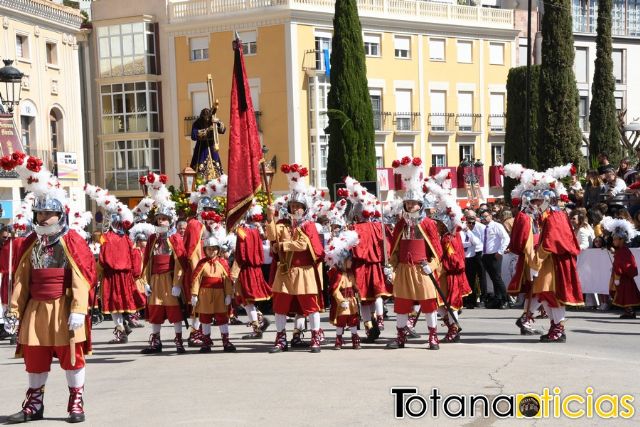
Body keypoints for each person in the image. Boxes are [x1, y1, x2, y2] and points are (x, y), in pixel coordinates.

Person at [3, 153, 96, 423]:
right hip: (36, 308)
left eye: (47, 213)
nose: (42, 218)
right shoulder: (30, 242)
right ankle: (34, 405)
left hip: (64, 307)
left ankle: (75, 401)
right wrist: (14, 310)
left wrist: (79, 308)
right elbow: (21, 279)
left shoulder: (72, 241)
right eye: (39, 213)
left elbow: (80, 276)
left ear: (60, 214)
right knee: (35, 357)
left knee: (71, 357)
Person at [266, 164, 324, 353]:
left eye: (298, 206)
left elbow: (304, 245)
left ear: (304, 208)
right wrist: (270, 218)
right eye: (292, 206)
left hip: (304, 271)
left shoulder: (309, 226)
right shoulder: (282, 224)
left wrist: (283, 245)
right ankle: (281, 338)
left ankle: (316, 336)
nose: (295, 209)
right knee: (280, 306)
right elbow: (272, 236)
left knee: (310, 305)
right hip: (285, 271)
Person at [387, 157, 444, 350]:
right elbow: (395, 248)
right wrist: (390, 265)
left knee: (429, 304)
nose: (411, 206)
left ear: (420, 204)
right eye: (408, 203)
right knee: (402, 305)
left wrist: (432, 265)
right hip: (403, 269)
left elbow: (437, 249)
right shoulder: (401, 223)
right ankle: (400, 337)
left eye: (414, 203)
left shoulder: (428, 223)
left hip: (422, 269)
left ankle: (433, 337)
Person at [85, 185, 144, 344]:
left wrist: (96, 273)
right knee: (123, 302)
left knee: (113, 305)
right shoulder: (127, 238)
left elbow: (103, 259)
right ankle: (125, 323)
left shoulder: (106, 237)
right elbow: (133, 258)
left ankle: (121, 330)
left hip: (111, 276)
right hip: (125, 276)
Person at [139, 173, 188, 354]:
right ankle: (156, 342)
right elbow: (146, 262)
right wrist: (146, 282)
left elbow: (181, 262)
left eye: (165, 219)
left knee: (174, 311)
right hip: (155, 279)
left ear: (170, 220)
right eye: (159, 219)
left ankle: (178, 341)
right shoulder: (152, 238)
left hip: (169, 279)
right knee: (156, 311)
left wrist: (177, 284)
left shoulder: (175, 238)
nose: (161, 221)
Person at [530, 180, 584, 342]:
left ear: (547, 200)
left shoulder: (555, 216)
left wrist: (535, 261)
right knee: (544, 293)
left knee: (553, 294)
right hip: (550, 261)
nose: (535, 204)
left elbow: (550, 242)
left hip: (555, 261)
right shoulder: (549, 216)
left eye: (538, 201)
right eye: (534, 201)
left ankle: (559, 328)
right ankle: (555, 325)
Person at [344, 177, 390, 342]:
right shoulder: (379, 226)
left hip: (360, 266)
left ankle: (369, 326)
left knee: (363, 298)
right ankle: (380, 318)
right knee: (377, 293)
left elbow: (348, 250)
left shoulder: (354, 228)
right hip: (376, 264)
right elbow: (387, 245)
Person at [231, 204, 272, 339]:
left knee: (245, 299)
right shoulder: (256, 231)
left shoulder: (243, 231)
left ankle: (257, 327)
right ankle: (259, 320)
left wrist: (236, 270)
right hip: (256, 268)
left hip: (246, 268)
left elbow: (241, 252)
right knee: (247, 300)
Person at [191, 232, 236, 352]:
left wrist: (228, 294)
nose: (212, 251)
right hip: (204, 295)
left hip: (220, 295)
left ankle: (226, 342)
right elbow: (196, 280)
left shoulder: (223, 263)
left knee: (222, 318)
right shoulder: (202, 263)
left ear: (218, 249)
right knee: (205, 319)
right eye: (209, 249)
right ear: (205, 250)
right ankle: (206, 342)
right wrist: (194, 294)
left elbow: (227, 280)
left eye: (214, 249)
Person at [325, 229, 361, 350]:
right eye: (348, 260)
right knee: (341, 321)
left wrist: (360, 293)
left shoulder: (350, 274)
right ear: (342, 262)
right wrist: (341, 301)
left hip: (351, 301)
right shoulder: (338, 275)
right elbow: (334, 290)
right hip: (342, 303)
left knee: (353, 321)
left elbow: (355, 286)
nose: (351, 262)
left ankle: (355, 338)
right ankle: (338, 339)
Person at [602, 217, 640, 318]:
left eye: (615, 239)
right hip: (622, 277)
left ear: (621, 240)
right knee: (624, 294)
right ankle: (629, 311)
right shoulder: (621, 251)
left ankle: (630, 312)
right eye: (613, 239)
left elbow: (624, 264)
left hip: (624, 278)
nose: (613, 241)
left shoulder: (624, 251)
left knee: (626, 295)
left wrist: (618, 272)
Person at [479, 209, 510, 308]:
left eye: (486, 216)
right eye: (482, 217)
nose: (484, 218)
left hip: (494, 255)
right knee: (493, 279)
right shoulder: (484, 228)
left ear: (490, 216)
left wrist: (500, 251)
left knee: (497, 278)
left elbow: (506, 238)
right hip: (486, 255)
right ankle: (498, 299)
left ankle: (506, 300)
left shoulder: (497, 225)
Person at [190, 107, 226, 177]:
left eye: (208, 117)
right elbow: (193, 135)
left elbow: (223, 130)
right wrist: (207, 130)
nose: (206, 119)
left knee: (216, 171)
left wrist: (218, 122)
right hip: (201, 149)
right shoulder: (197, 123)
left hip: (212, 148)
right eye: (205, 118)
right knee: (200, 172)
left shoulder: (213, 121)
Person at [461, 213, 483, 309]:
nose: (470, 225)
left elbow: (476, 242)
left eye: (472, 223)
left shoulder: (471, 231)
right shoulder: (460, 232)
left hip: (471, 258)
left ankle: (471, 300)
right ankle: (463, 300)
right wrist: (468, 244)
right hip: (462, 257)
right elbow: (460, 244)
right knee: (462, 280)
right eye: (468, 223)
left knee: (471, 280)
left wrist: (469, 232)